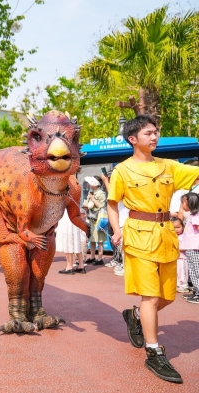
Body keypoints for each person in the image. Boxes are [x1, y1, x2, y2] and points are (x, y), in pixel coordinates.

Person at [107, 114, 199, 384]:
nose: (155, 136)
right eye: (149, 133)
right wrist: (117, 230)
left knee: (167, 297)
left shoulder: (170, 166)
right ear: (133, 139)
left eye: (156, 131)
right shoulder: (122, 170)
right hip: (138, 236)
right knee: (150, 296)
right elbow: (112, 203)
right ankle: (154, 351)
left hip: (166, 235)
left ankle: (134, 315)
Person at [179, 192, 199, 304]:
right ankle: (196, 291)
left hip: (195, 248)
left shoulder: (196, 216)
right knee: (192, 270)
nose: (182, 205)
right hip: (190, 248)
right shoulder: (192, 215)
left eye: (183, 202)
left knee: (196, 271)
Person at [83, 176, 107, 265]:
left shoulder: (101, 193)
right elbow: (86, 203)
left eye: (91, 183)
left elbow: (101, 206)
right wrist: (86, 203)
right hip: (91, 218)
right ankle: (92, 257)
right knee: (92, 238)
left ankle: (100, 258)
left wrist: (93, 199)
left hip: (98, 218)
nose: (89, 185)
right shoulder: (91, 192)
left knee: (100, 239)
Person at [55, 207, 83, 275]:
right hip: (74, 214)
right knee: (75, 240)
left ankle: (69, 266)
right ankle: (81, 266)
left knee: (68, 240)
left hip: (67, 215)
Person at [171, 217, 188, 294]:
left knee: (182, 272)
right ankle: (177, 285)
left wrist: (177, 249)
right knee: (175, 272)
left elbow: (186, 246)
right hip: (174, 258)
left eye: (178, 227)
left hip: (182, 257)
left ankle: (183, 286)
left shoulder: (184, 236)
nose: (176, 230)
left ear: (183, 227)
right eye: (174, 228)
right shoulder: (171, 236)